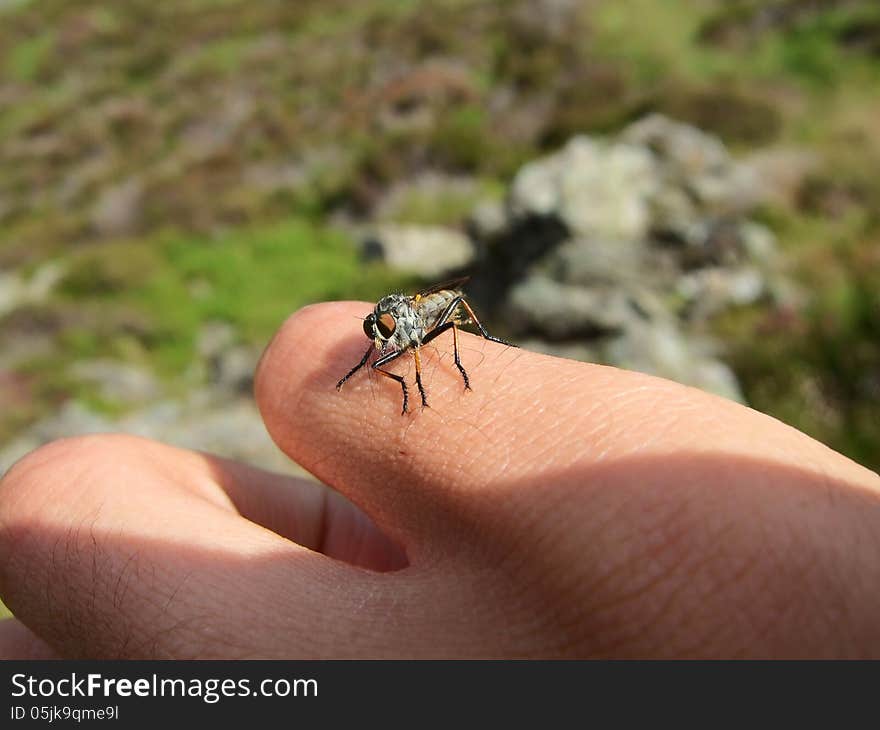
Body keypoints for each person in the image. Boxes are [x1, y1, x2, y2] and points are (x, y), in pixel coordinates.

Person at [0, 301, 878, 659]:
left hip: (442, 338)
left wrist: (424, 361)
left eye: (388, 320)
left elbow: (430, 322)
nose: (386, 324)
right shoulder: (379, 326)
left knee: (422, 359)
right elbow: (379, 336)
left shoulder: (421, 321)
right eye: (384, 320)